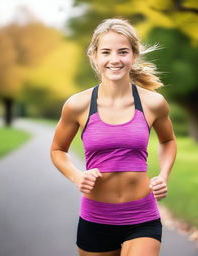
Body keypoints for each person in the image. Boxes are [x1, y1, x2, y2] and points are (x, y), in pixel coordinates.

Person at [50, 17, 177, 256]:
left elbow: (168, 141)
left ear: (134, 56)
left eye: (123, 51)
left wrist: (164, 175)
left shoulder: (153, 103)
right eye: (106, 52)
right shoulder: (77, 105)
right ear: (94, 56)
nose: (114, 59)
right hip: (96, 219)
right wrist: (77, 176)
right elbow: (58, 149)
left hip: (143, 217)